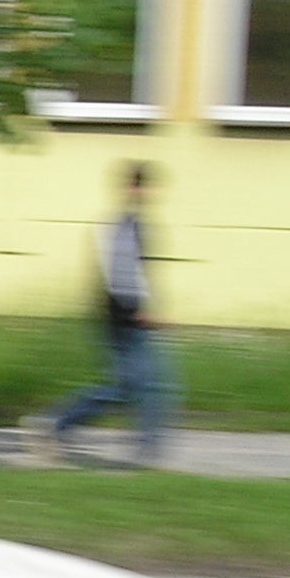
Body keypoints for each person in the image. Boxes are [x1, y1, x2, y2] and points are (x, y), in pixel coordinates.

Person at [25, 161, 177, 469]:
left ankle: (56, 425)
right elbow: (118, 275)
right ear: (128, 188)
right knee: (147, 386)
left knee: (136, 387)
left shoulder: (131, 225)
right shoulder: (122, 227)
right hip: (124, 319)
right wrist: (139, 311)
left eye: (146, 185)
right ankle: (145, 454)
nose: (143, 191)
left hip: (128, 317)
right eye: (138, 184)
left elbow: (137, 273)